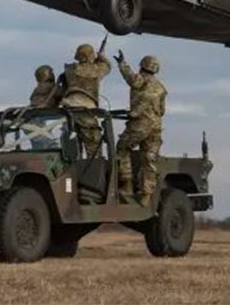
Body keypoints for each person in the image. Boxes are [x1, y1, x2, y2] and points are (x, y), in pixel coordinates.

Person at [113, 51, 167, 206]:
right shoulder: (161, 88)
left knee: (121, 149)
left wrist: (121, 62)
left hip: (139, 126)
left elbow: (128, 75)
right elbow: (162, 111)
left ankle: (126, 185)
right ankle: (146, 194)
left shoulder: (140, 80)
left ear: (142, 67)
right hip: (156, 128)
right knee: (149, 159)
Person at [58, 43, 112, 158]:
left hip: (68, 111)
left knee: (72, 150)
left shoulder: (70, 69)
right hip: (86, 112)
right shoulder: (96, 70)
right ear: (90, 56)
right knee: (93, 148)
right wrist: (101, 57)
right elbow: (107, 67)